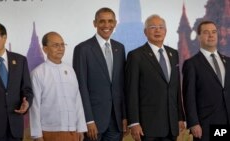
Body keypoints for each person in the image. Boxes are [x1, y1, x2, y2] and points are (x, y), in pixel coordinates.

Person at [125, 14, 185, 141]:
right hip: (148, 126)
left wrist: (180, 117)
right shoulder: (136, 55)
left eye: (161, 27)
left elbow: (176, 88)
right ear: (145, 32)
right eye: (152, 27)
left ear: (166, 31)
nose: (157, 30)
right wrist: (134, 122)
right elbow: (131, 92)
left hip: (171, 125)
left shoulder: (173, 54)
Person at [73, 7, 128, 141]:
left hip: (116, 121)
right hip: (94, 121)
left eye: (110, 21)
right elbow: (81, 87)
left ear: (115, 23)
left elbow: (123, 86)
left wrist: (125, 116)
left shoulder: (119, 48)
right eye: (102, 21)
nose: (106, 25)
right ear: (94, 23)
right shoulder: (82, 49)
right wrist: (88, 120)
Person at [0, 22, 33, 141]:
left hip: (15, 128)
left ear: (4, 37)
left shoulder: (20, 60)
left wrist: (27, 103)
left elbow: (27, 90)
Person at [29, 32, 87, 141]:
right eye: (56, 45)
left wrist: (81, 128)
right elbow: (34, 106)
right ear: (45, 49)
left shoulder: (70, 70)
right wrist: (37, 135)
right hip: (49, 131)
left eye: (62, 45)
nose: (60, 48)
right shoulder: (38, 73)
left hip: (72, 131)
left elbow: (77, 101)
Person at [182, 20, 230, 141]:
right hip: (205, 125)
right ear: (199, 36)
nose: (211, 35)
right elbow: (189, 96)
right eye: (206, 32)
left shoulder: (228, 62)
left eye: (214, 32)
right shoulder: (191, 64)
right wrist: (193, 123)